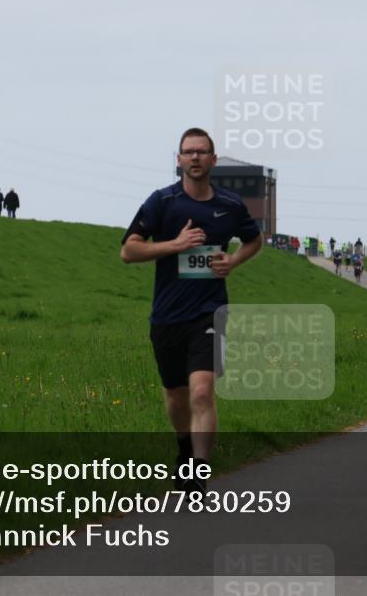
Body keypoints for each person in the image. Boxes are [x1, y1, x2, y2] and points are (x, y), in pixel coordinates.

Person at [120, 127, 262, 490]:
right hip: (167, 314)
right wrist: (175, 244)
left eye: (202, 152)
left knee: (201, 391)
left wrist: (233, 261)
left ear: (213, 160)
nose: (195, 157)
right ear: (179, 160)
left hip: (211, 311)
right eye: (188, 152)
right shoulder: (162, 202)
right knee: (176, 395)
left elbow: (254, 239)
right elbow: (129, 251)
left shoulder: (229, 205)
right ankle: (184, 449)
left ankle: (198, 473)